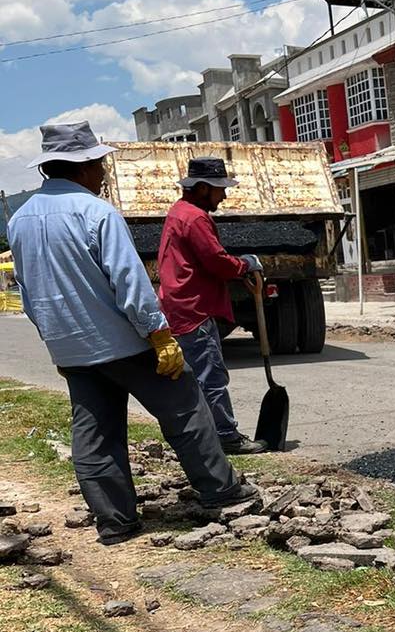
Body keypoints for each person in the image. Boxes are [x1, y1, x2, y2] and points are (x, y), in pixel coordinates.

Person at [6, 122, 248, 544]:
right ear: (83, 167)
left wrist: (55, 340)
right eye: (99, 165)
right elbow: (129, 282)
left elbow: (27, 291)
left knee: (95, 431)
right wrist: (158, 335)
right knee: (185, 407)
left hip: (72, 350)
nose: (102, 174)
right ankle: (220, 490)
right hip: (122, 341)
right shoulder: (96, 212)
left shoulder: (21, 220)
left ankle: (115, 521)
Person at [158, 156, 267, 453]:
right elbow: (216, 261)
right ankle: (226, 436)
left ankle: (202, 437)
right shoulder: (194, 218)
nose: (224, 195)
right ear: (203, 188)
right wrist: (244, 265)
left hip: (179, 306)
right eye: (220, 189)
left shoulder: (179, 212)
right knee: (211, 377)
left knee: (194, 379)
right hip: (193, 309)